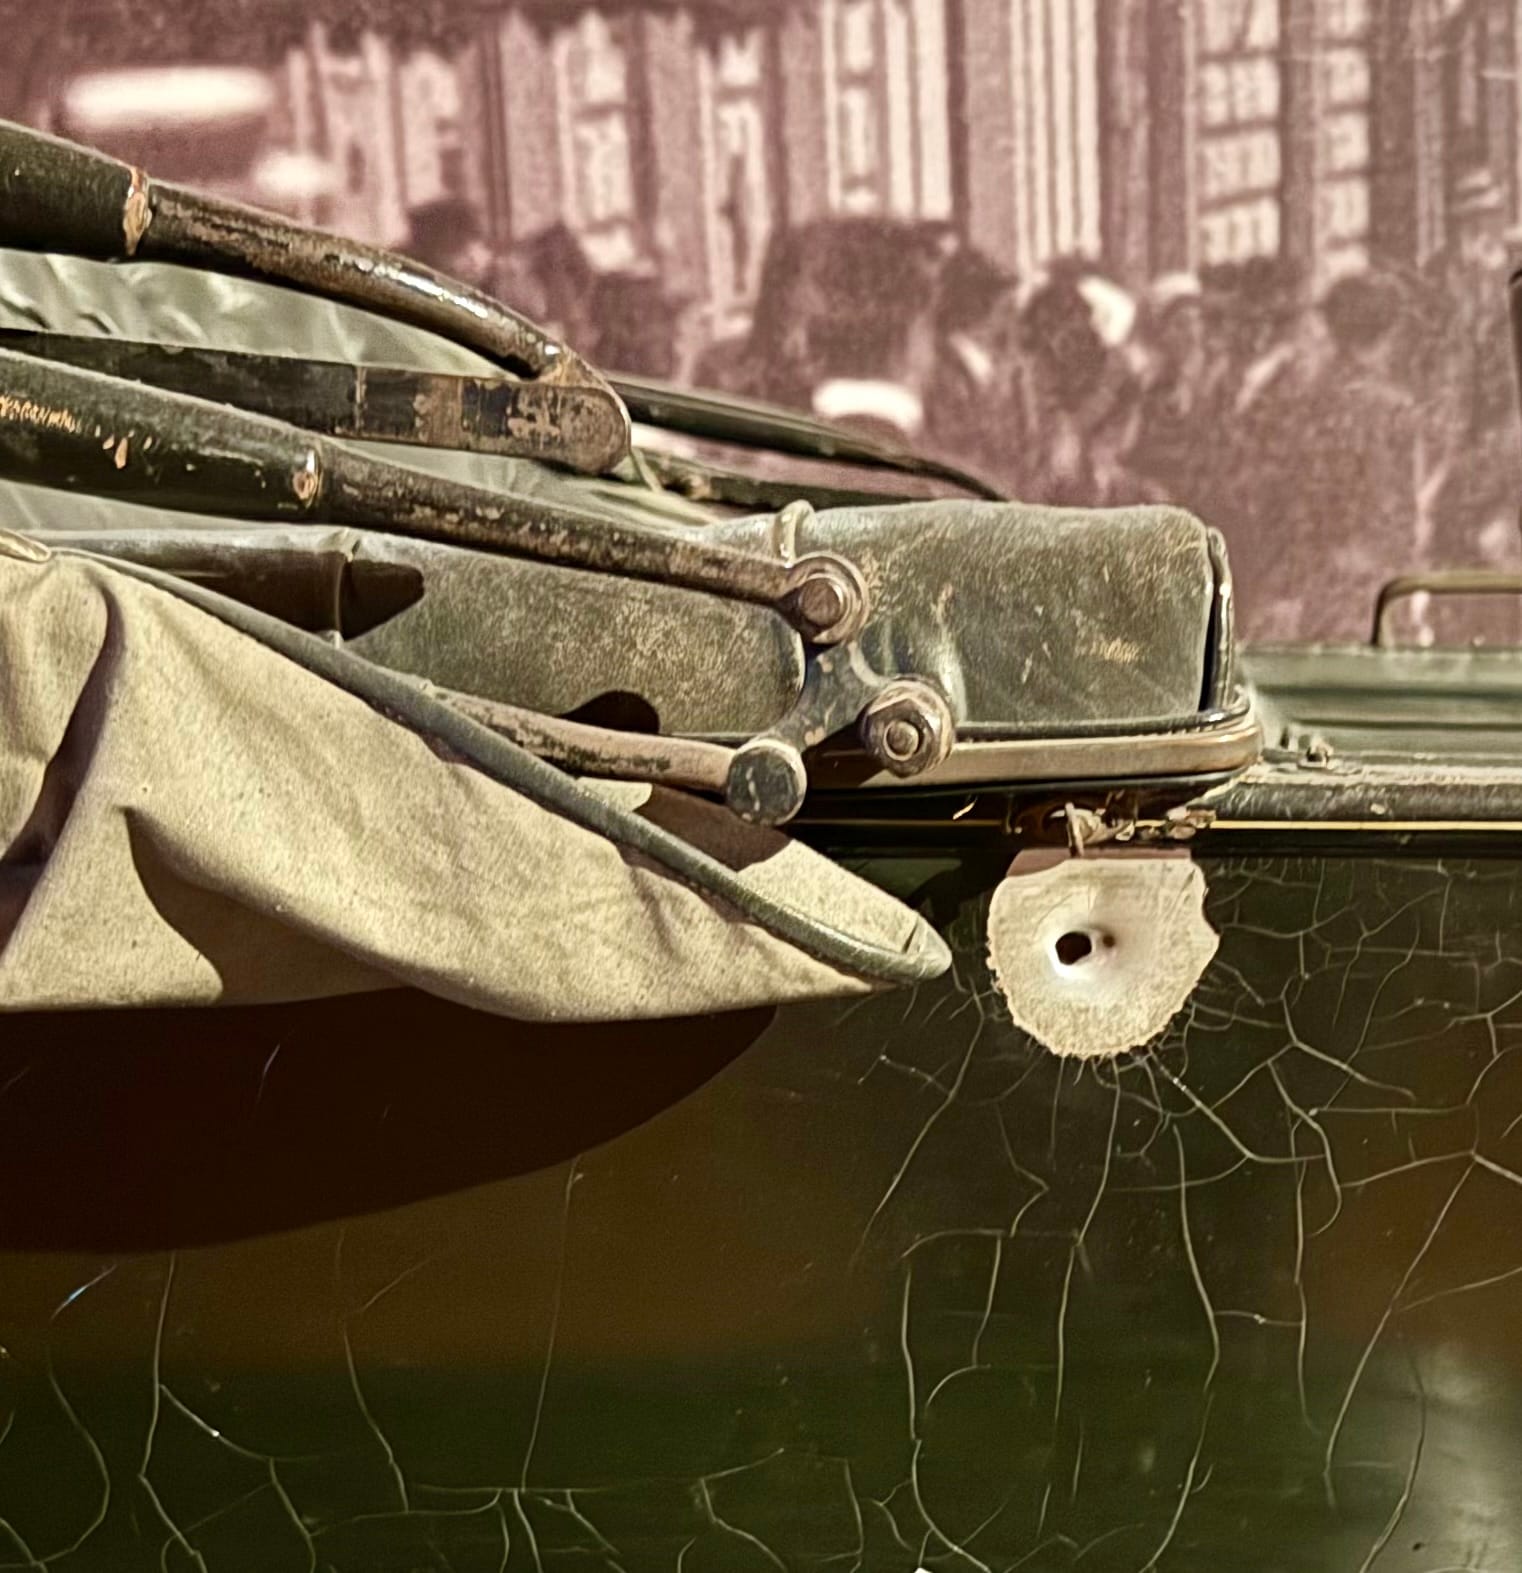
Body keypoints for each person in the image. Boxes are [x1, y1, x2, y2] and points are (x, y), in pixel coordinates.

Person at [1244, 271, 1423, 644]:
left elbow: (1284, 492)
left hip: (1313, 574)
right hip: (1370, 579)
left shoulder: (1307, 400)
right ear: (1388, 332)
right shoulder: (1392, 409)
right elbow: (1398, 508)